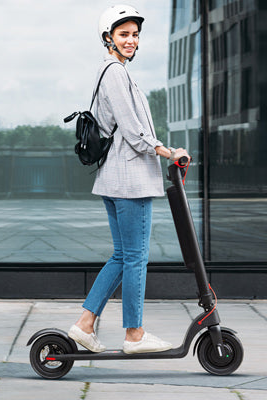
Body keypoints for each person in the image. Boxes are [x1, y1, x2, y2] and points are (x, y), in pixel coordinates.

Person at [69, 4, 190, 354]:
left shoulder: (112, 72)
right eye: (124, 34)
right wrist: (170, 152)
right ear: (108, 38)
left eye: (135, 34)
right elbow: (135, 133)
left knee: (123, 255)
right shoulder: (115, 74)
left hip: (115, 178)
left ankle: (85, 325)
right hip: (129, 180)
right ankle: (134, 335)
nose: (131, 40)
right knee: (135, 257)